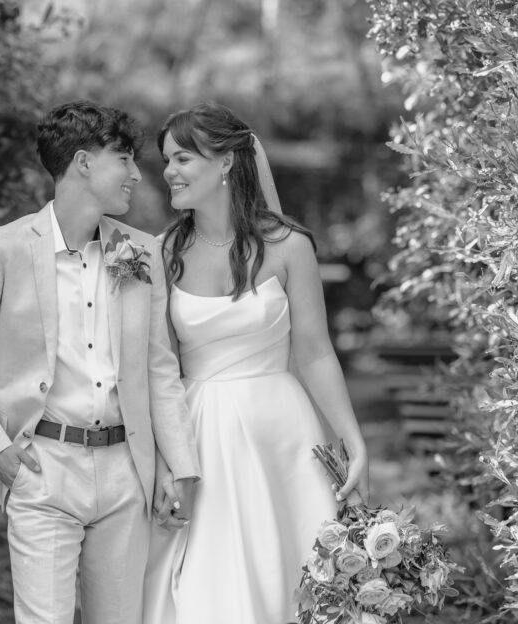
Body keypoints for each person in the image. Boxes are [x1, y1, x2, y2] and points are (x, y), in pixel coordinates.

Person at [0, 100, 201, 624]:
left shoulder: (141, 252)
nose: (135, 173)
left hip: (127, 473)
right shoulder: (3, 248)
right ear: (83, 162)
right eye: (123, 158)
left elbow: (158, 369)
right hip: (43, 469)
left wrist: (180, 467)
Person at [142, 102, 369, 624]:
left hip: (280, 431)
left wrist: (352, 439)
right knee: (203, 583)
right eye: (166, 160)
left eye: (182, 159)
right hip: (197, 434)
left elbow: (315, 352)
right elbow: (159, 371)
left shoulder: (290, 246)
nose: (168, 172)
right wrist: (162, 463)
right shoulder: (161, 251)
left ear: (225, 163)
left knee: (290, 572)